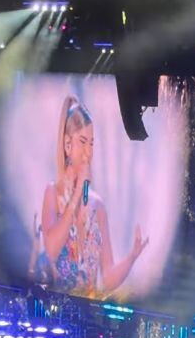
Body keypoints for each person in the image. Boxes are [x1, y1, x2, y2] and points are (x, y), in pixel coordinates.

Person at [40, 95, 149, 298]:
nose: (88, 152)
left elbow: (107, 277)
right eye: (83, 142)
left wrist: (132, 257)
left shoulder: (97, 205)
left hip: (88, 307)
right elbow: (51, 250)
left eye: (91, 143)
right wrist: (76, 195)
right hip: (57, 306)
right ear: (67, 144)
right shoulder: (53, 192)